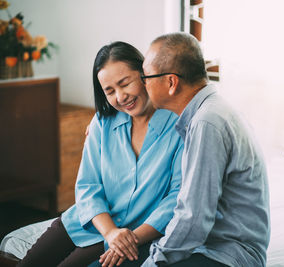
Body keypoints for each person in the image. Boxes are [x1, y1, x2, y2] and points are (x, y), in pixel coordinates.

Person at [17, 41, 183, 267]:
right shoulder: (102, 122)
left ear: (144, 74)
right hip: (87, 221)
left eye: (125, 83)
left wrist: (127, 238)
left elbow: (176, 197)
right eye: (110, 91)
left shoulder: (179, 127)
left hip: (132, 233)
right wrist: (111, 232)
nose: (120, 96)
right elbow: (87, 186)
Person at [139, 32, 271, 266]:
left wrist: (154, 261)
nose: (143, 83)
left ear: (171, 82)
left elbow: (193, 217)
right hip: (209, 247)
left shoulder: (207, 122)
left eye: (146, 76)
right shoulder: (209, 111)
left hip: (228, 254)